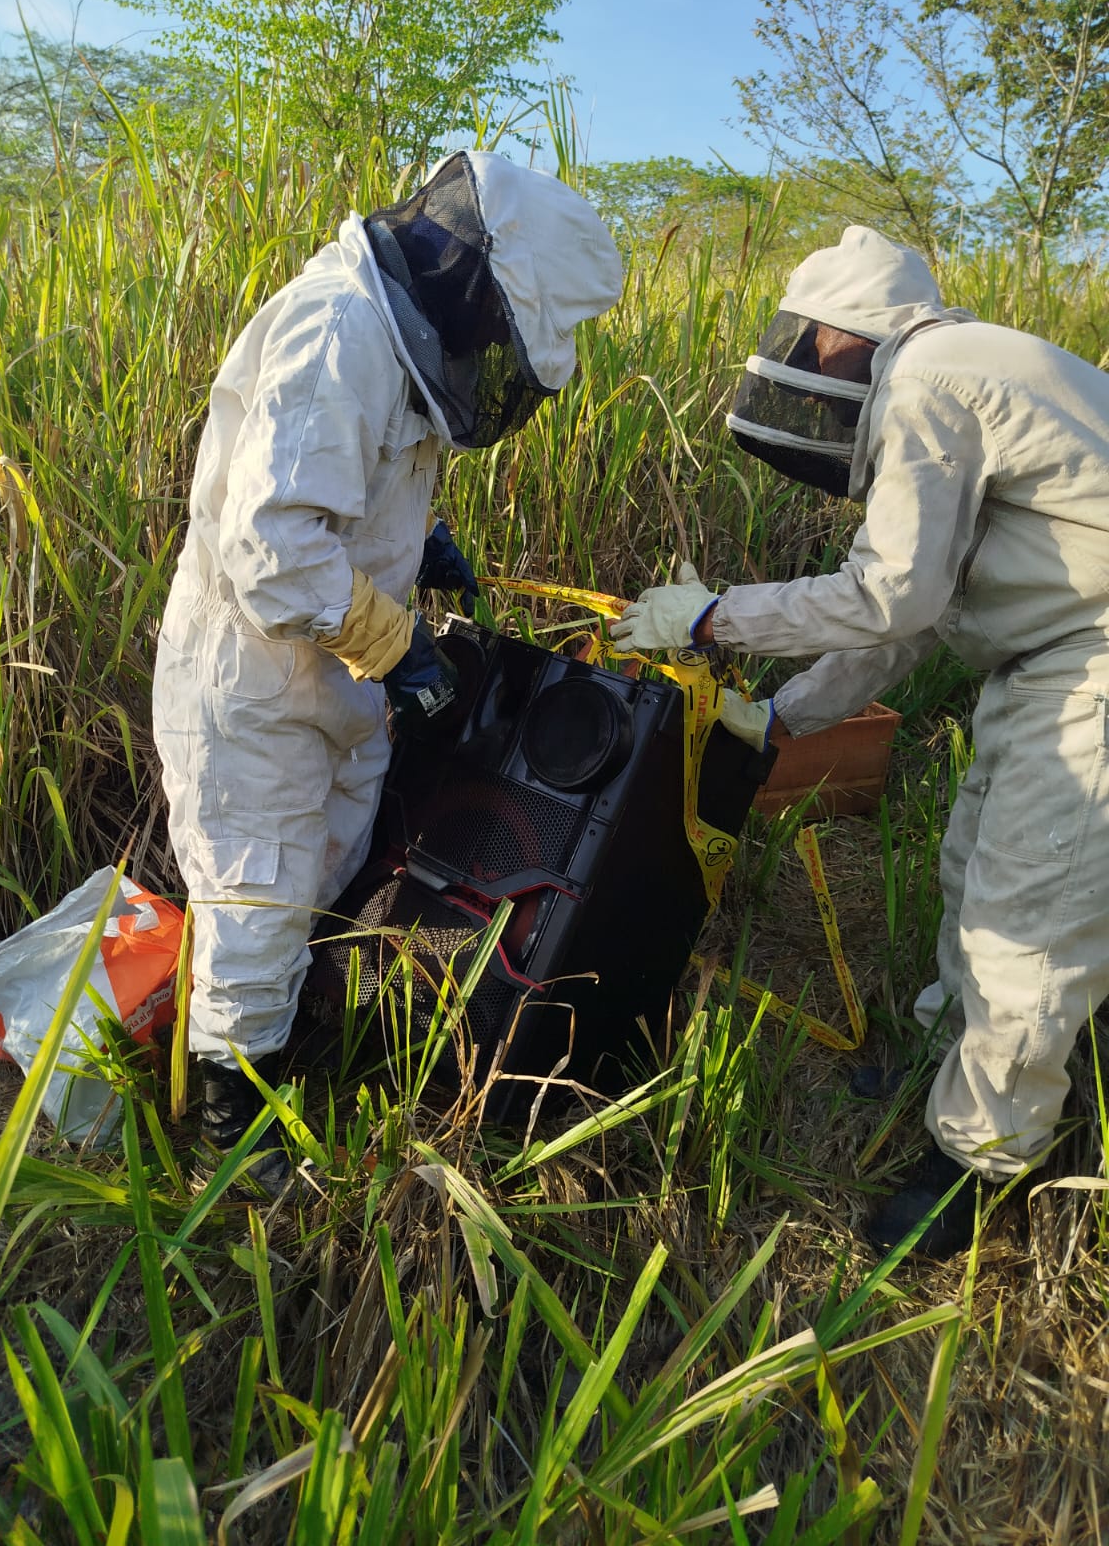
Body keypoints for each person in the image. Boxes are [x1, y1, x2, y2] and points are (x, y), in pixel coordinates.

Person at [610, 224, 1109, 1259]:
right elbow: (910, 619)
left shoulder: (932, 377)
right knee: (974, 864)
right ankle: (946, 1060)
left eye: (812, 343)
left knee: (1031, 911)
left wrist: (715, 618)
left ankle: (980, 1164)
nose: (807, 367)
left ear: (844, 332)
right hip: (1055, 652)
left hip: (1096, 653)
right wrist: (776, 717)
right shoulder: (956, 380)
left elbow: (886, 596)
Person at [152, 151, 622, 1192]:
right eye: (498, 329)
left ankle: (286, 1061)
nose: (491, 355)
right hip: (257, 681)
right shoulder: (340, 330)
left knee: (323, 872)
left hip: (332, 677)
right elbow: (272, 544)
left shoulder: (390, 342)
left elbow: (338, 485)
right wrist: (400, 644)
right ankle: (230, 1142)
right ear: (469, 280)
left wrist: (423, 545)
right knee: (259, 894)